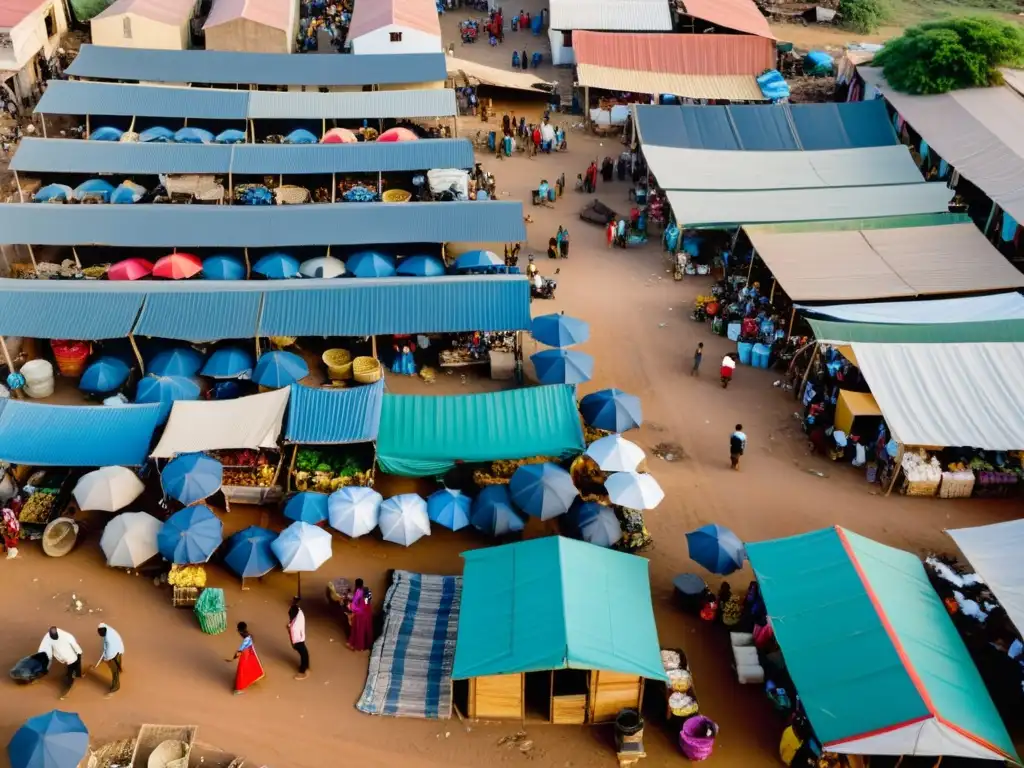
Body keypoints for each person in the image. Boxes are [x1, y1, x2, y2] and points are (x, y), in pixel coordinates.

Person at [38, 626, 82, 700]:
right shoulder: (47, 638)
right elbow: (44, 650)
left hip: (72, 658)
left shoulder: (67, 636)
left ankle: (68, 688)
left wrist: (79, 656)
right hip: (62, 658)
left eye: (56, 637)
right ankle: (77, 674)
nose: (55, 638)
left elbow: (76, 646)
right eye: (53, 637)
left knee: (70, 674)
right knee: (72, 670)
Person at [226, 622, 265, 695]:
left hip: (245, 655)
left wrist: (234, 657)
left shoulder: (246, 639)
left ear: (239, 630)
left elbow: (240, 651)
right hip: (250, 653)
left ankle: (238, 689)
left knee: (242, 670)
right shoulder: (249, 636)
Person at [92, 623, 124, 697]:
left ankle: (115, 688)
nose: (100, 634)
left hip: (116, 652)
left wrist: (106, 659)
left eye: (101, 634)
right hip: (118, 649)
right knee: (117, 665)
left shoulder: (109, 639)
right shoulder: (108, 630)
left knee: (114, 671)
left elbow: (109, 653)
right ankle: (120, 669)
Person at [346, 579, 374, 651]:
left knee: (359, 630)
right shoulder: (367, 590)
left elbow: (354, 605)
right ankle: (366, 645)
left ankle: (358, 646)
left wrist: (349, 606)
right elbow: (367, 602)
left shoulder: (358, 592)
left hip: (360, 615)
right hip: (367, 613)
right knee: (366, 629)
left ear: (356, 584)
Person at [288, 598, 309, 680]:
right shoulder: (299, 612)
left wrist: (294, 644)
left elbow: (294, 637)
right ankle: (305, 666)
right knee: (304, 652)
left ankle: (303, 671)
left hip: (298, 639)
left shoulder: (294, 627)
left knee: (302, 652)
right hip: (300, 636)